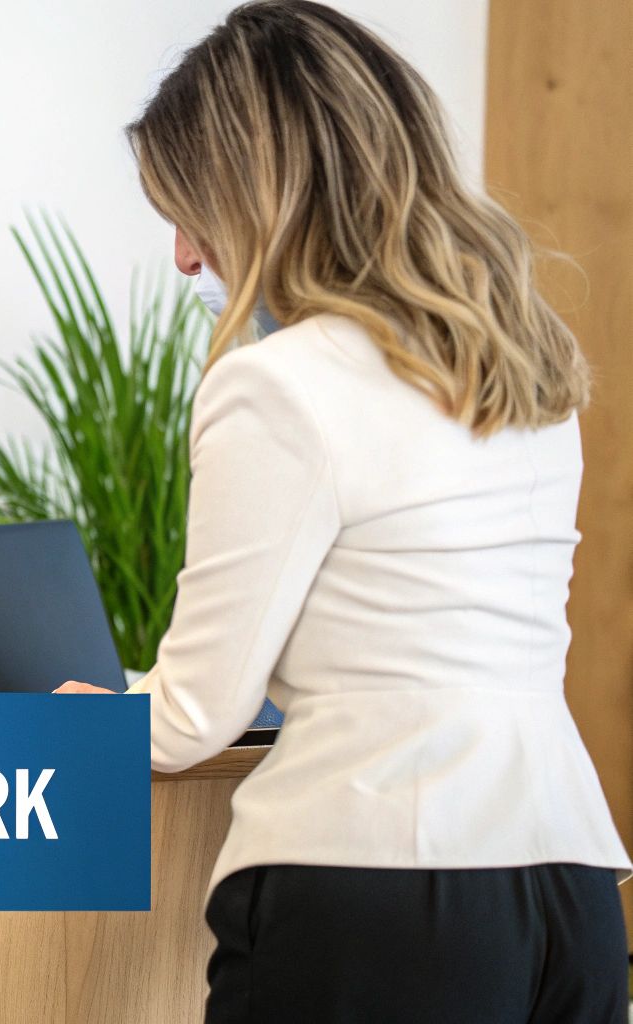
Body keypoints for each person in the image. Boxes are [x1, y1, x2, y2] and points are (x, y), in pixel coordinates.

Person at [54, 3, 630, 1020]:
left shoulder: (275, 383)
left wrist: (73, 719)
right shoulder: (521, 369)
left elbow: (190, 718)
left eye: (188, 212)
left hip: (375, 895)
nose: (185, 256)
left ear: (259, 197)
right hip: (564, 887)